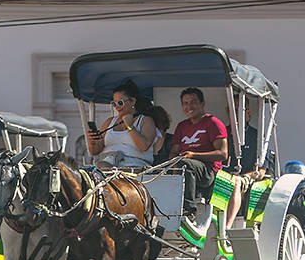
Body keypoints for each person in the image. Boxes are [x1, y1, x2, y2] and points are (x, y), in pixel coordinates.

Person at [169, 87, 229, 218]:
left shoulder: (213, 123)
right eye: (185, 103)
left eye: (193, 102)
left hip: (208, 172)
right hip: (184, 167)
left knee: (185, 164)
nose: (189, 106)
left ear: (202, 103)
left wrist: (193, 155)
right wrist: (173, 166)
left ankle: (188, 210)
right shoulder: (181, 126)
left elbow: (223, 154)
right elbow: (174, 151)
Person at [86, 79, 157, 170]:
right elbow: (94, 152)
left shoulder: (145, 121)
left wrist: (130, 127)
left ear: (132, 101)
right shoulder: (109, 122)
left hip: (134, 168)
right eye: (114, 104)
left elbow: (144, 146)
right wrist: (93, 142)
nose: (117, 107)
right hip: (107, 164)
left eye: (120, 103)